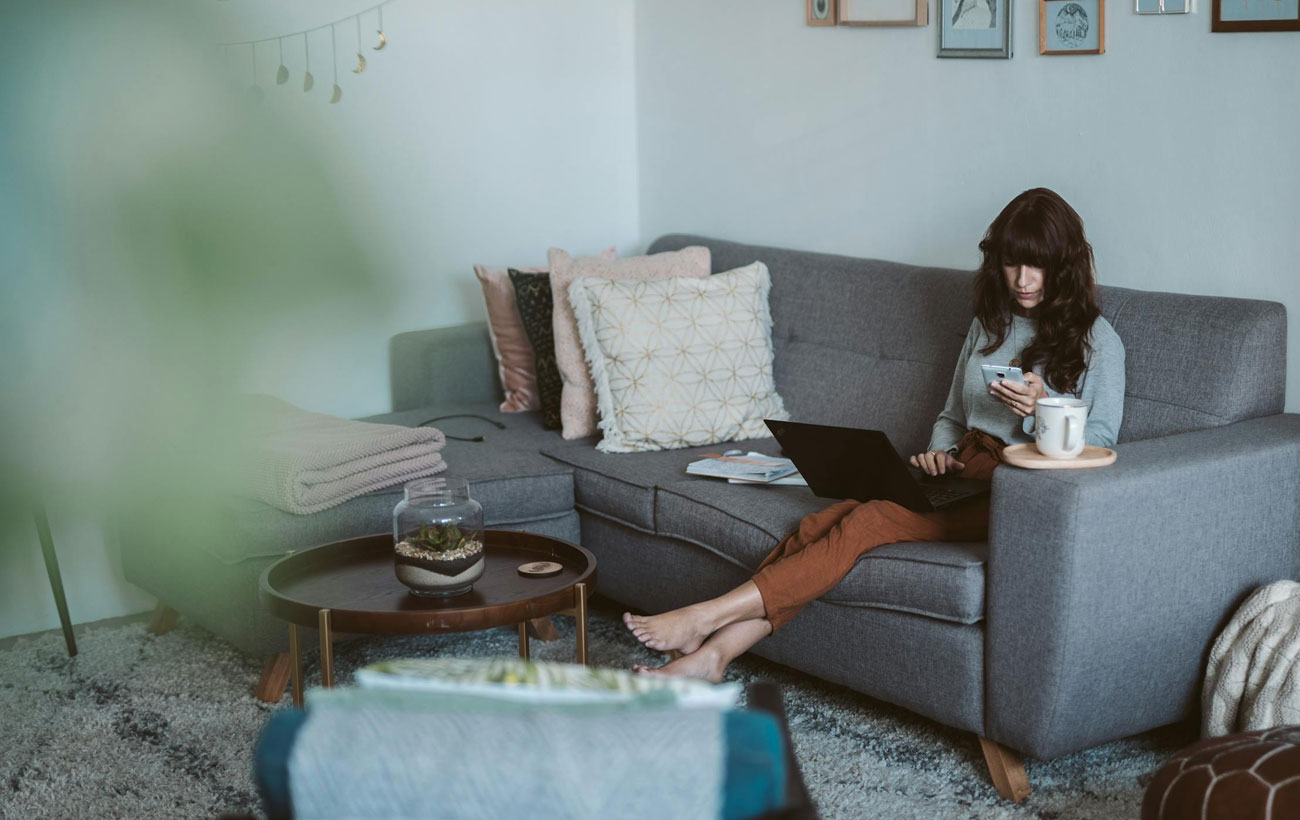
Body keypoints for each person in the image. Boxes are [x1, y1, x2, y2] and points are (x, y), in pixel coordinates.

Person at [624, 187, 1125, 682]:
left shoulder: (1098, 341)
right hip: (963, 475)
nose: (1022, 280)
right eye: (1013, 263)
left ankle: (706, 617)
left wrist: (1044, 411)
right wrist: (939, 453)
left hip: (1017, 490)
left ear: (1064, 264)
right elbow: (953, 412)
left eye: (1036, 265)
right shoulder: (989, 322)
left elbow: (1100, 444)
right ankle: (713, 657)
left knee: (869, 521)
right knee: (822, 523)